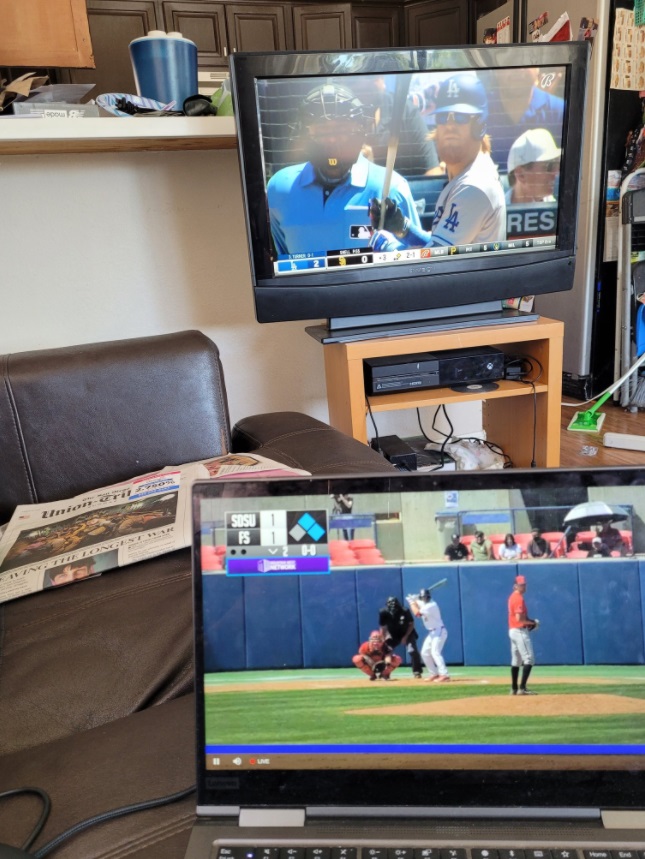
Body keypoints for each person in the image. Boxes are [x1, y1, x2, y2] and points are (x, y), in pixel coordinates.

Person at [266, 82, 422, 256]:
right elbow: (284, 260)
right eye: (322, 130)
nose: (332, 139)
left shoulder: (391, 186)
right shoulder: (279, 189)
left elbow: (418, 259)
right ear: (306, 134)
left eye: (341, 129)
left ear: (359, 130)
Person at [369, 72, 506, 251]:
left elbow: (436, 258)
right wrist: (403, 228)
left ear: (480, 126)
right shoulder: (466, 175)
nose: (449, 125)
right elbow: (439, 244)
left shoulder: (475, 185)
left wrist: (386, 246)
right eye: (443, 117)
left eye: (460, 116)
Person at [484, 67, 565, 172]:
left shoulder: (559, 111)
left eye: (526, 58)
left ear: (538, 69)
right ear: (496, 69)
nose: (518, 69)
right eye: (509, 61)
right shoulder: (476, 113)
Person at [506, 128, 561, 204]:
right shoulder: (496, 214)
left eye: (557, 165)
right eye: (549, 166)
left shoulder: (558, 210)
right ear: (521, 175)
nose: (556, 172)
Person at [408, 588, 449, 682]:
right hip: (432, 633)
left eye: (426, 597)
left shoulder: (431, 605)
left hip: (439, 631)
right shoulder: (425, 604)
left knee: (435, 652)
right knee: (425, 653)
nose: (425, 598)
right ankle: (434, 673)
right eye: (423, 597)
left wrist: (411, 601)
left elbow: (417, 613)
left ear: (429, 597)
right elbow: (419, 603)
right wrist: (415, 599)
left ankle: (444, 674)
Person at [379, 595, 423, 678]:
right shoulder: (383, 612)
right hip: (393, 634)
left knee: (412, 650)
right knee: (386, 650)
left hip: (407, 632)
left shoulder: (405, 610)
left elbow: (411, 624)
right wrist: (383, 639)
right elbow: (383, 627)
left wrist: (405, 637)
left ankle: (417, 671)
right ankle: (385, 672)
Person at [508, 574, 538, 695]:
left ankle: (514, 688)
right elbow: (519, 618)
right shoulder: (518, 598)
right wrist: (532, 623)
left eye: (524, 584)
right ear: (515, 586)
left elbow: (520, 617)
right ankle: (522, 688)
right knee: (529, 659)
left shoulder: (512, 597)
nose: (524, 586)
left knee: (516, 660)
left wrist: (530, 621)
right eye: (521, 585)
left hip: (512, 630)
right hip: (519, 630)